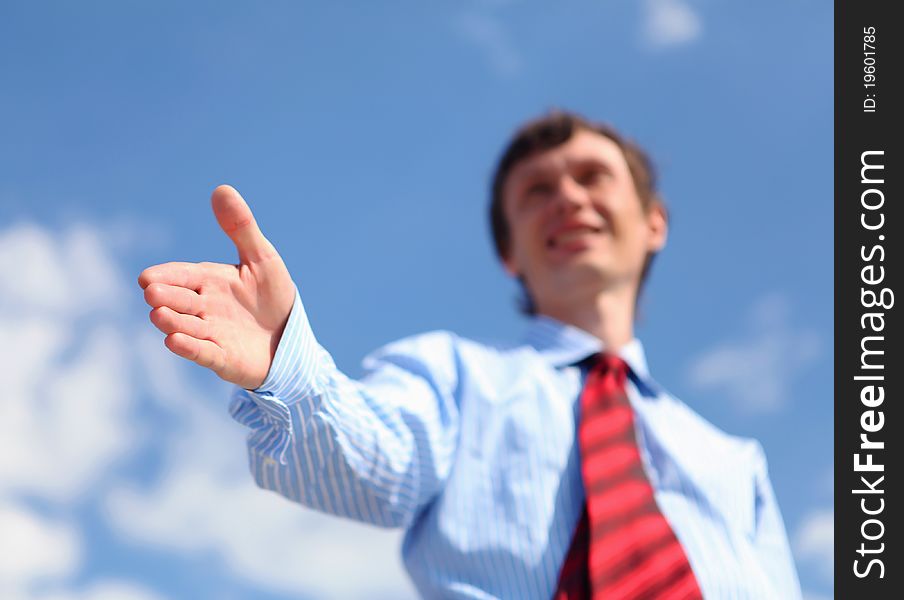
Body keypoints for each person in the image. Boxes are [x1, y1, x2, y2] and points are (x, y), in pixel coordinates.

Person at [138, 111, 802, 599]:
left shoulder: (735, 463)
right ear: (510, 252)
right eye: (536, 191)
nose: (568, 197)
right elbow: (376, 462)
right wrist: (285, 358)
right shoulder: (454, 375)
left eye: (593, 177)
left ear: (654, 221)